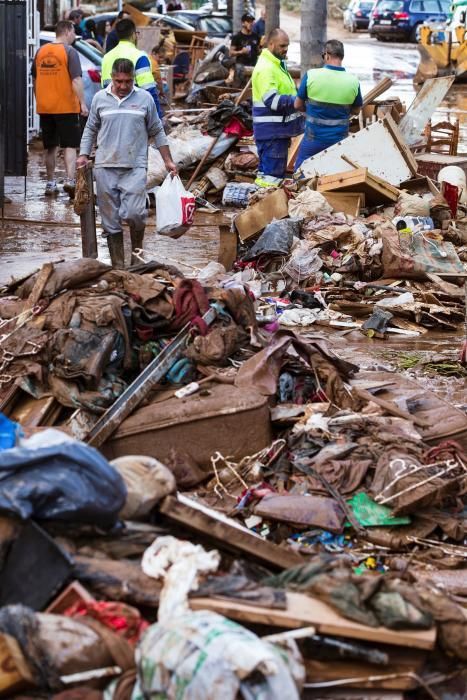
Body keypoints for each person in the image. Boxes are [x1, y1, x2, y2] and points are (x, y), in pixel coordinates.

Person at [77, 58, 178, 268]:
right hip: (105, 167)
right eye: (118, 81)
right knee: (110, 220)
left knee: (135, 213)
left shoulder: (144, 99)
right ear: (112, 78)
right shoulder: (99, 99)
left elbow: (157, 130)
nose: (123, 86)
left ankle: (136, 255)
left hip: (134, 167)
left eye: (127, 82)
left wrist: (168, 160)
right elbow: (90, 129)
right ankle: (119, 267)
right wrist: (83, 154)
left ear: (134, 80)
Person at [32, 19, 88, 197]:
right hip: (66, 107)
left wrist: (39, 99)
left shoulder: (40, 51)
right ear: (67, 31)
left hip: (46, 107)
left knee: (50, 147)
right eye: (73, 33)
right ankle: (70, 181)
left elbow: (34, 80)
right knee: (70, 145)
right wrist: (83, 104)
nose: (73, 37)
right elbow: (76, 80)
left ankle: (50, 183)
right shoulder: (69, 52)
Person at [294, 39, 362, 171]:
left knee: (301, 174)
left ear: (327, 55)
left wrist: (308, 111)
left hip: (313, 139)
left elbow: (297, 105)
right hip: (338, 141)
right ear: (342, 56)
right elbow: (356, 110)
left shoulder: (311, 76)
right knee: (334, 178)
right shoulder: (353, 81)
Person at [251, 28, 304, 187]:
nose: (285, 49)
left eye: (287, 45)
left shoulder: (276, 64)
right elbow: (272, 100)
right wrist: (297, 101)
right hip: (272, 133)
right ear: (271, 44)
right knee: (272, 179)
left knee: (267, 176)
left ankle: (261, 202)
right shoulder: (267, 68)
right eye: (282, 45)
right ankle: (267, 207)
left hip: (275, 132)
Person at [102, 18, 163, 118]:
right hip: (134, 114)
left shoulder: (106, 58)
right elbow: (149, 90)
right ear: (134, 35)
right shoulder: (140, 57)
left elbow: (105, 88)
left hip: (111, 113)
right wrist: (157, 118)